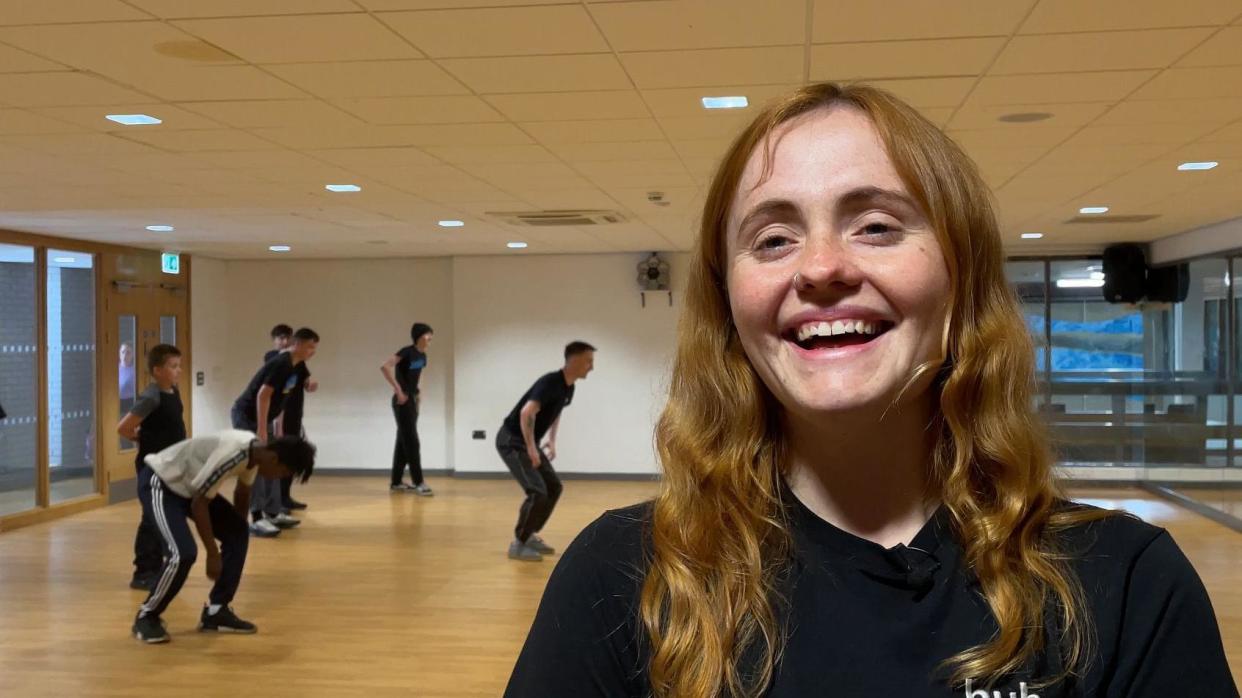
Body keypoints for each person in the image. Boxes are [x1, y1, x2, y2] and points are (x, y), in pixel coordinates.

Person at [504, 83, 1239, 697]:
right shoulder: (619, 579)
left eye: (877, 225)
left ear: (964, 281)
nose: (820, 267)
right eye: (773, 239)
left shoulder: (1128, 587)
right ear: (729, 304)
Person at [130, 430, 316, 644]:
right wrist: (212, 554)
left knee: (239, 531)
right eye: (283, 473)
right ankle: (147, 615)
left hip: (190, 489)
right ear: (274, 459)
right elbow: (200, 503)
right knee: (183, 553)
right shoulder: (234, 454)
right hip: (162, 482)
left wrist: (234, 535)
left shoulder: (256, 455)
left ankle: (217, 611)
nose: (279, 478)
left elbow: (242, 494)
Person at [496, 341, 594, 562]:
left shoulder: (568, 387)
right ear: (575, 360)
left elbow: (556, 411)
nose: (591, 367)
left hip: (527, 442)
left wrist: (551, 440)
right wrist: (531, 448)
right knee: (537, 491)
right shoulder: (550, 382)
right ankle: (519, 543)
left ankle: (529, 534)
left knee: (554, 487)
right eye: (589, 361)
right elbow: (526, 412)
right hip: (511, 441)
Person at [231, 327, 319, 537]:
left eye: (314, 348)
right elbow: (263, 395)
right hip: (247, 416)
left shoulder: (298, 367)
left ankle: (273, 512)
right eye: (309, 347)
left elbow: (283, 397)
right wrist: (262, 429)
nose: (312, 351)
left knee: (275, 461)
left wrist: (277, 425)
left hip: (265, 418)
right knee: (258, 465)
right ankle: (257, 517)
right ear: (296, 344)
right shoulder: (281, 363)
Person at [116, 344, 186, 591]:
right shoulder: (151, 396)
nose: (178, 370)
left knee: (163, 513)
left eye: (178, 366)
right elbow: (124, 427)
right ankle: (143, 570)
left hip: (171, 463)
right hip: (153, 465)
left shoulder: (173, 392)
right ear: (157, 370)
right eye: (173, 366)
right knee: (150, 516)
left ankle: (158, 564)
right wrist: (140, 439)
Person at [264, 323, 313, 512]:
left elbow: (305, 382)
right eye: (280, 338)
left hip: (294, 414)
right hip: (279, 416)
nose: (284, 341)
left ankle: (285, 497)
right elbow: (269, 392)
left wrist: (310, 385)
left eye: (287, 338)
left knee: (292, 458)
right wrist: (278, 421)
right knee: (279, 459)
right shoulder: (273, 358)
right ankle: (275, 503)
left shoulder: (298, 361)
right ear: (274, 341)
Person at [381, 323, 434, 495]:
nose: (430, 339)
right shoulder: (406, 351)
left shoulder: (423, 356)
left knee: (402, 441)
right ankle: (419, 482)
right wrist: (398, 391)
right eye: (427, 335)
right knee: (412, 441)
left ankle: (396, 482)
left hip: (412, 400)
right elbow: (385, 366)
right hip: (401, 401)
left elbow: (420, 376)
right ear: (419, 336)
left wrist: (419, 396)